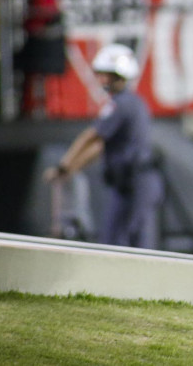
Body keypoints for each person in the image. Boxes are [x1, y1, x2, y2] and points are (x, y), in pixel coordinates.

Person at [44, 44, 163, 249]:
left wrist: (64, 166)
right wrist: (72, 169)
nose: (101, 80)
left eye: (107, 75)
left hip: (136, 183)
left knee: (130, 245)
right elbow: (99, 147)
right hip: (129, 183)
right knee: (115, 241)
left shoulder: (121, 104)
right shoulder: (129, 102)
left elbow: (90, 137)